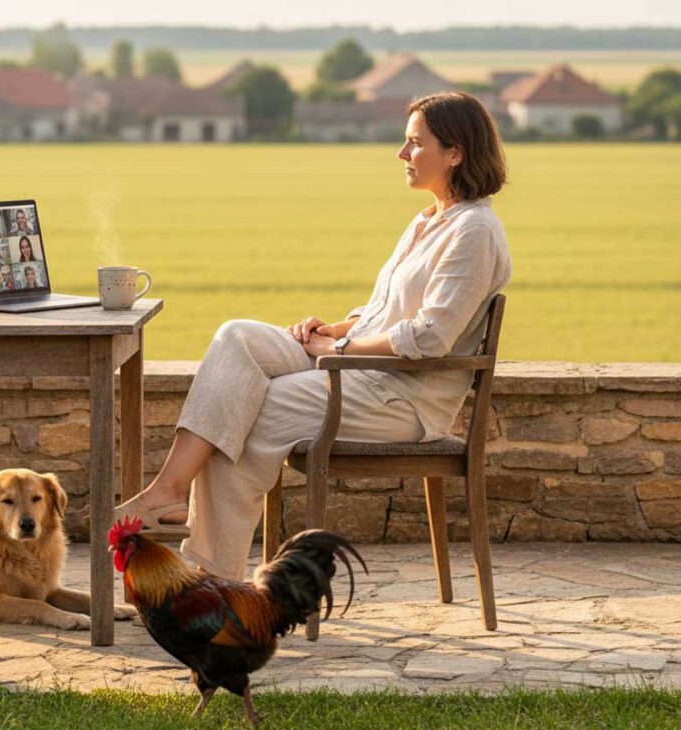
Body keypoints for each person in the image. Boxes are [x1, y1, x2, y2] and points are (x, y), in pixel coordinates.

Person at [114, 92, 512, 581]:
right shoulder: (428, 220)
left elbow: (429, 337)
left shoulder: (475, 231)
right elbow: (386, 309)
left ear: (455, 153)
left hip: (400, 398)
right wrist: (337, 328)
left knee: (253, 409)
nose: (401, 154)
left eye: (415, 143)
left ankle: (212, 582)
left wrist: (338, 349)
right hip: (358, 366)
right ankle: (170, 492)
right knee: (238, 336)